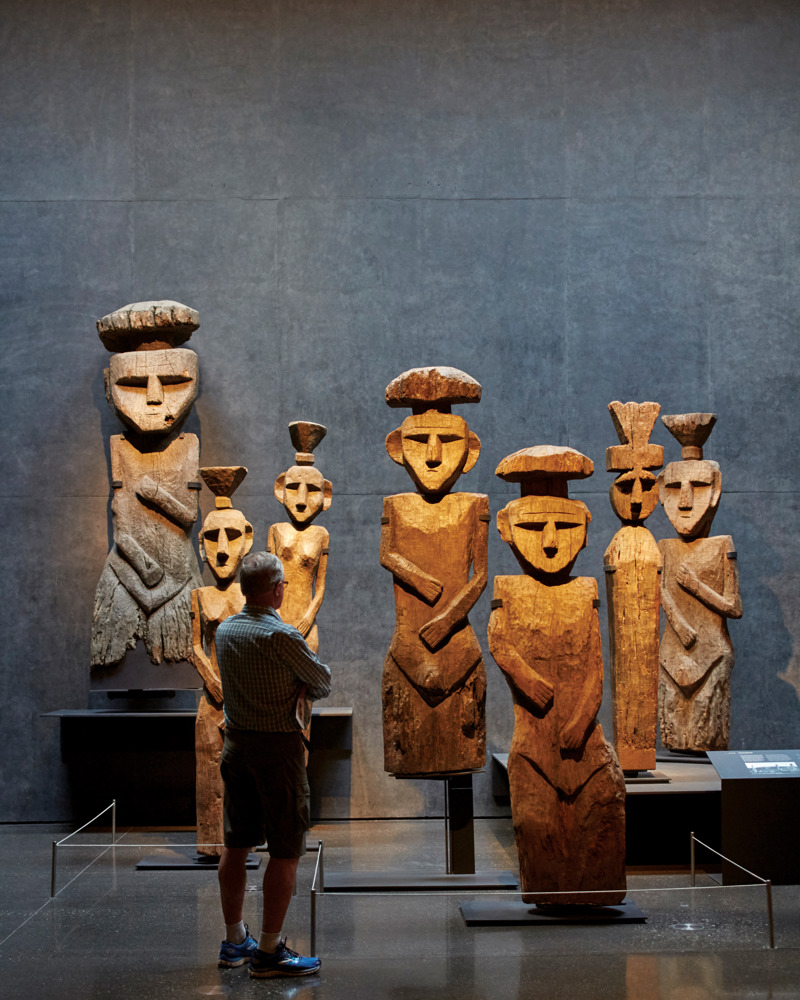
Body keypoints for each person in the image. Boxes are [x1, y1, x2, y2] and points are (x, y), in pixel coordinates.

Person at [213, 551, 331, 978]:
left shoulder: (225, 630)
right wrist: (297, 684)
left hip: (236, 746)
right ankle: (268, 951)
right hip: (277, 751)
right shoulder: (282, 636)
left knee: (236, 844)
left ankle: (234, 940)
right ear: (278, 588)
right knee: (285, 849)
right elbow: (322, 681)